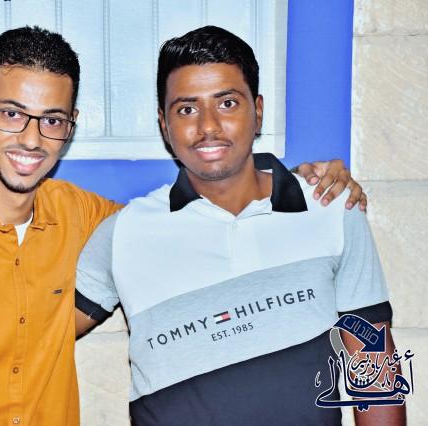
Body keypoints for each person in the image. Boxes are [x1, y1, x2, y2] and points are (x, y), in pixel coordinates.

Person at [0, 26, 366, 424]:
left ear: (70, 127)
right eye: (11, 113)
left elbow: (192, 211)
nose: (31, 138)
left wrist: (299, 181)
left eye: (52, 120)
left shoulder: (94, 220)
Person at [73, 26, 404, 425]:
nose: (208, 126)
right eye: (187, 109)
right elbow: (35, 333)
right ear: (164, 123)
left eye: (227, 103)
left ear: (258, 110)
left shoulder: (331, 209)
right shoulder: (124, 234)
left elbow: (375, 368)